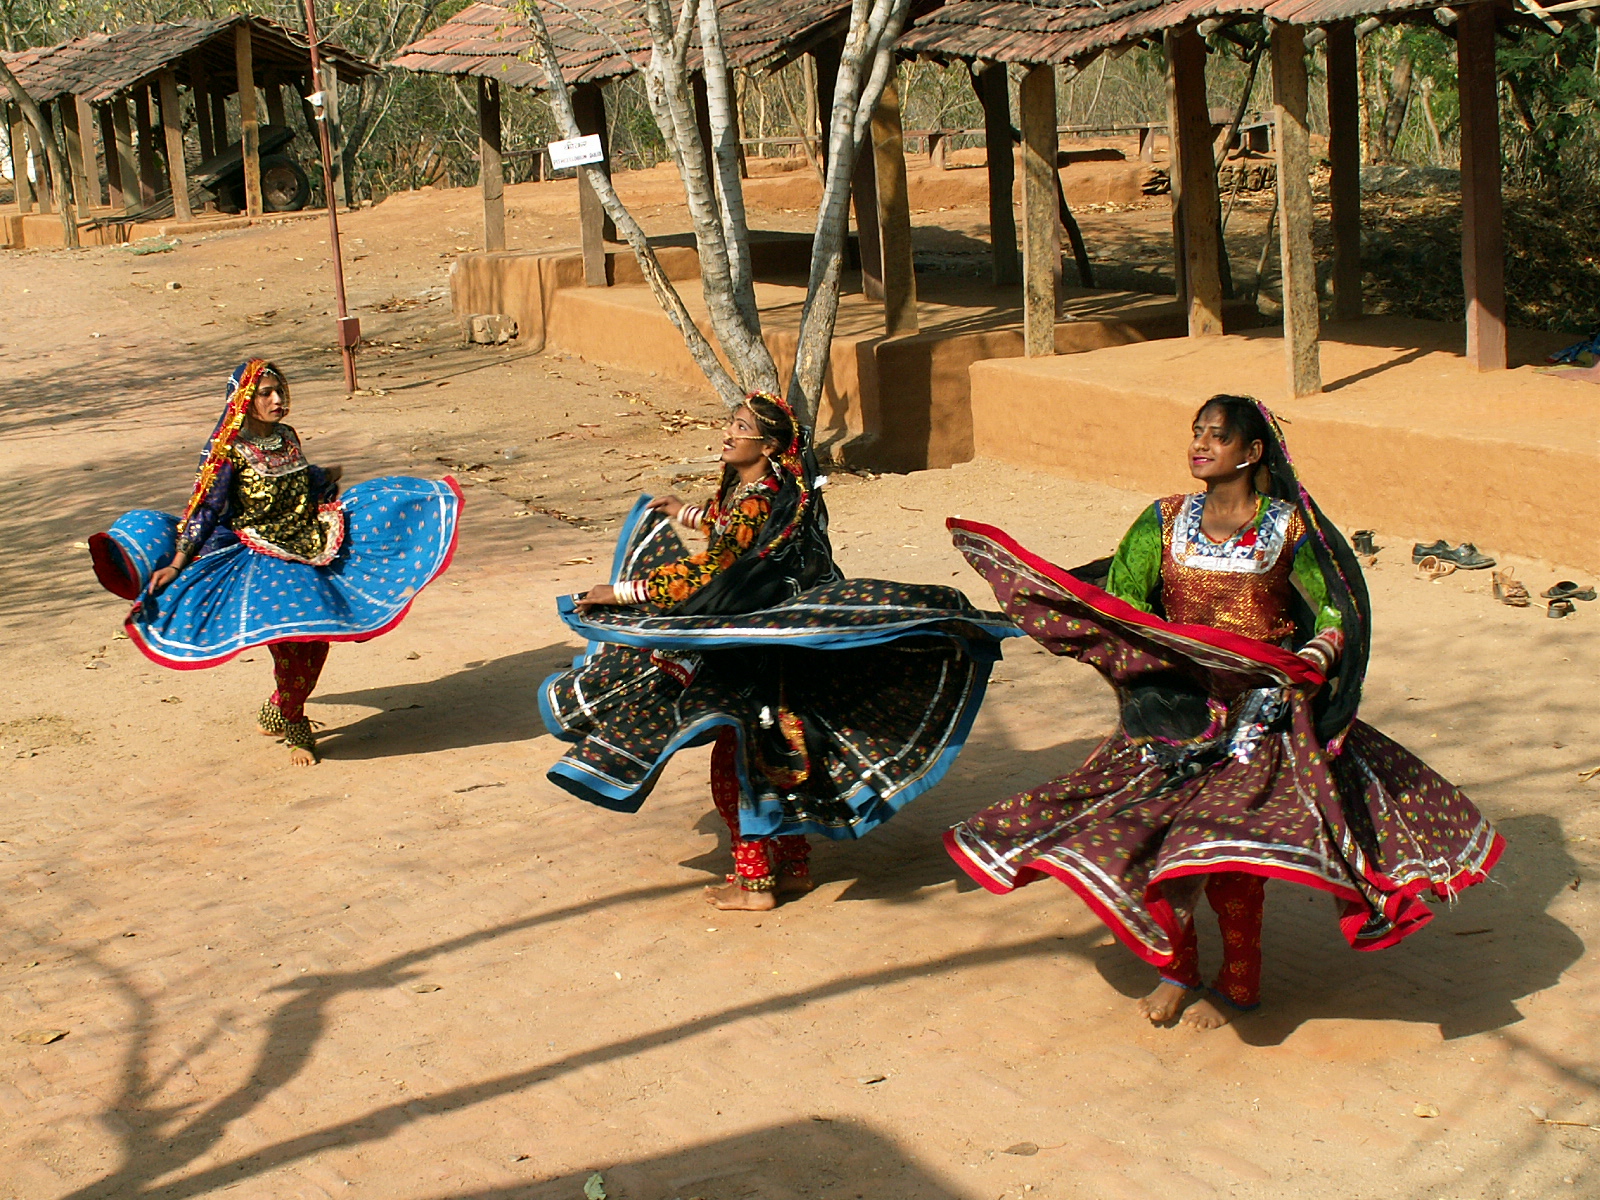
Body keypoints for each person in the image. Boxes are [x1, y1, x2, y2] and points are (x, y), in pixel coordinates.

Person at [945, 395, 1502, 1029]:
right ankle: (1178, 973)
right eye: (1195, 433)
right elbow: (1122, 605)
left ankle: (1238, 981)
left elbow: (1334, 608)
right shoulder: (1160, 521)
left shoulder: (1289, 527)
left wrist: (1316, 655)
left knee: (1229, 857)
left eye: (1217, 436)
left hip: (1260, 716)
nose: (1199, 445)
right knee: (1150, 845)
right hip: (1175, 714)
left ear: (1252, 452)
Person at [543, 391, 1017, 911]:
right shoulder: (762, 489)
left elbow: (716, 565)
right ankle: (792, 870)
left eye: (740, 427)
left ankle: (755, 885)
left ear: (767, 445)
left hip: (752, 656)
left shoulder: (758, 496)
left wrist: (625, 592)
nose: (728, 432)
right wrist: (690, 514)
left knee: (737, 767)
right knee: (770, 753)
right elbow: (738, 535)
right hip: (766, 648)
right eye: (730, 422)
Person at [90, 358, 463, 765]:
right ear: (244, 401)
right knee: (292, 642)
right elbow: (205, 510)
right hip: (261, 556)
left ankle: (278, 705)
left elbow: (300, 481)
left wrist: (324, 476)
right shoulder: (227, 451)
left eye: (280, 390)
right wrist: (178, 563)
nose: (277, 399)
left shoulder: (287, 436)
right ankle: (296, 723)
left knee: (318, 638)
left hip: (311, 543)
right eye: (265, 393)